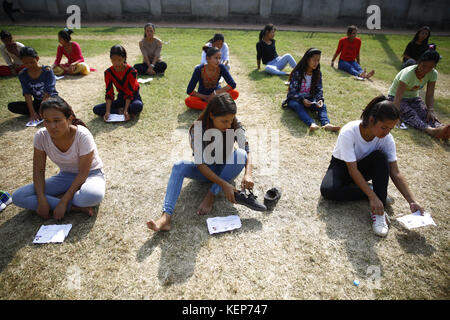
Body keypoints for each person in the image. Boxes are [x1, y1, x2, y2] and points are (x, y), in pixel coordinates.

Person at [320, 96, 425, 237]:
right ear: (371, 120)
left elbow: (395, 172)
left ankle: (378, 212)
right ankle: (372, 191)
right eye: (383, 127)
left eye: (391, 128)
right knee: (328, 191)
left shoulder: (386, 139)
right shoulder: (349, 132)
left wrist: (412, 201)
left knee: (381, 158)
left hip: (365, 167)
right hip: (342, 166)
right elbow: (352, 169)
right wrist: (371, 196)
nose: (387, 132)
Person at [147, 92, 253, 232]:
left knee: (240, 154)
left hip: (226, 168)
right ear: (211, 115)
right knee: (179, 166)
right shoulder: (197, 129)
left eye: (230, 120)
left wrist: (248, 174)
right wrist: (225, 185)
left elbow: (246, 150)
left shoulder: (234, 123)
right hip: (206, 171)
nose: (228, 125)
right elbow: (200, 165)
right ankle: (166, 217)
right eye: (224, 121)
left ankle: (211, 194)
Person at [12, 97, 105, 220]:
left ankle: (62, 199)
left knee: (91, 196)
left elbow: (83, 173)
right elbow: (38, 171)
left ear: (69, 119)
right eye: (47, 121)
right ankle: (74, 208)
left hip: (91, 175)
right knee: (19, 196)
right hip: (65, 176)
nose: (52, 126)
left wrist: (64, 201)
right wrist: (41, 200)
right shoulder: (41, 136)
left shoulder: (83, 135)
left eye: (57, 120)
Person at [388, 49, 449, 140]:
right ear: (419, 62)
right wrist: (396, 116)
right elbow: (398, 97)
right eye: (424, 66)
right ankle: (430, 130)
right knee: (411, 114)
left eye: (430, 67)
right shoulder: (407, 74)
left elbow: (430, 95)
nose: (426, 70)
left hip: (414, 98)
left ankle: (442, 128)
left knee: (425, 113)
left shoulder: (433, 74)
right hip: (395, 98)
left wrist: (430, 110)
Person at [283, 48, 340, 132]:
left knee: (322, 106)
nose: (316, 63)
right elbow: (292, 92)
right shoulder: (298, 72)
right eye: (314, 60)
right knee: (298, 106)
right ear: (307, 59)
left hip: (310, 99)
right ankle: (311, 124)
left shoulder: (317, 74)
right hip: (296, 99)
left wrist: (320, 99)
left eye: (318, 60)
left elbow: (319, 89)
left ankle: (326, 124)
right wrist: (302, 99)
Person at [7, 46, 58, 123]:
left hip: (50, 100)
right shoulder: (22, 74)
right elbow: (27, 94)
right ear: (22, 62)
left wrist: (41, 109)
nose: (30, 65)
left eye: (32, 62)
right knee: (12, 106)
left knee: (59, 107)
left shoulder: (47, 71)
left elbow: (48, 92)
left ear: (37, 59)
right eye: (26, 63)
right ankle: (40, 112)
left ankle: (43, 112)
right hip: (37, 102)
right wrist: (32, 112)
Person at [93, 45, 143, 122]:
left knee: (137, 106)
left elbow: (129, 92)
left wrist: (126, 110)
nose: (116, 63)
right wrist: (108, 112)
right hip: (121, 97)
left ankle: (124, 110)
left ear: (124, 58)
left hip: (133, 96)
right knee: (96, 109)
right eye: (113, 60)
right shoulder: (108, 72)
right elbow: (109, 92)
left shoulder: (132, 71)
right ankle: (119, 111)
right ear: (110, 59)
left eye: (119, 60)